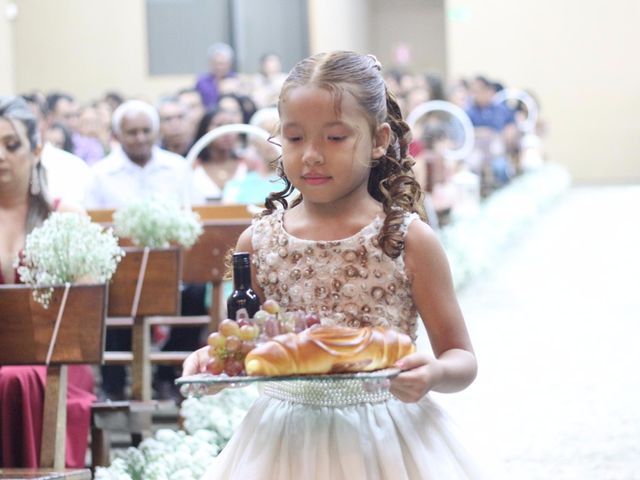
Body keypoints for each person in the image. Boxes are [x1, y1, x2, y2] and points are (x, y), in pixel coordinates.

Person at [183, 51, 483, 479]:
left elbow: (461, 358)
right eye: (295, 138)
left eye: (335, 137)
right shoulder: (258, 241)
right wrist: (212, 361)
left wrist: (434, 373)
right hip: (282, 442)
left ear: (378, 139)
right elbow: (248, 342)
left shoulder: (407, 239)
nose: (312, 156)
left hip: (385, 440)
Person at [0, 95, 95, 468]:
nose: (1, 156)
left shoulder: (64, 217)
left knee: (14, 379)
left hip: (55, 362)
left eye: (11, 145)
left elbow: (84, 312)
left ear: (36, 149)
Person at [195, 42, 236, 110]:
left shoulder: (235, 80)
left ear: (230, 64)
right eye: (216, 63)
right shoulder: (202, 81)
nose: (219, 67)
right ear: (210, 63)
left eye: (222, 64)